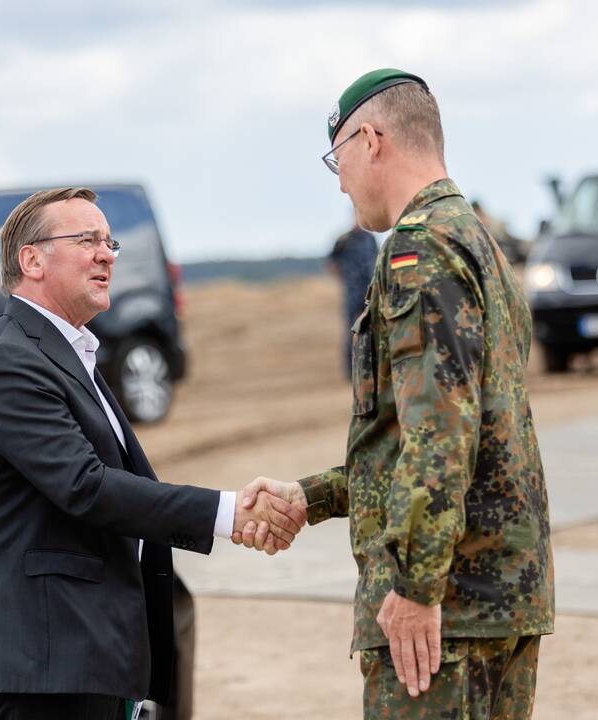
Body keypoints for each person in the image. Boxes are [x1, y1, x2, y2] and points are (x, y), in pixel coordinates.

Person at [237, 69, 554, 719]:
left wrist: (415, 586)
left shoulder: (419, 248)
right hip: (494, 600)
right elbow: (436, 435)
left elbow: (441, 434)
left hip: (448, 613)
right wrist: (313, 496)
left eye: (339, 159)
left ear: (372, 139)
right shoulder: (476, 241)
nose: (342, 180)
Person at [0, 187, 306, 720]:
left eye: (109, 240)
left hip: (81, 658)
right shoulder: (9, 362)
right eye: (87, 240)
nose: (107, 253)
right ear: (33, 260)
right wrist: (228, 513)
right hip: (38, 670)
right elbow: (86, 487)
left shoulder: (65, 351)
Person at [328, 220, 379, 378]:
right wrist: (345, 279)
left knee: (373, 329)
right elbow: (332, 263)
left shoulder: (370, 239)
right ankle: (350, 372)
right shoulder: (343, 240)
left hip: (369, 291)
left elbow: (376, 260)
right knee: (351, 331)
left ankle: (371, 369)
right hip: (352, 292)